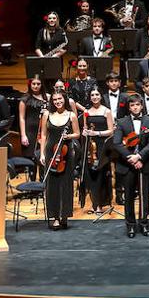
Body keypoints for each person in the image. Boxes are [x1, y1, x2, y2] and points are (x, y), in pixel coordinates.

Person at [39, 90, 80, 230]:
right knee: (52, 185)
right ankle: (55, 217)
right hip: (51, 152)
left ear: (65, 99)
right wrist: (42, 154)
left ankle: (64, 215)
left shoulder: (71, 115)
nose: (58, 101)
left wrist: (69, 137)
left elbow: (77, 134)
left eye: (60, 99)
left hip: (66, 153)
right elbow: (43, 135)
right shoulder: (47, 114)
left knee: (65, 184)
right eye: (55, 99)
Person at [80, 87, 116, 215]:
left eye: (97, 94)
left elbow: (111, 131)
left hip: (103, 146)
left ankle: (101, 204)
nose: (95, 97)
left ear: (101, 96)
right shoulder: (86, 112)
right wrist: (85, 132)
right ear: (90, 97)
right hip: (90, 147)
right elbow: (84, 128)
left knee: (101, 175)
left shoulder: (107, 111)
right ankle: (95, 204)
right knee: (92, 176)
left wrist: (96, 132)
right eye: (92, 95)